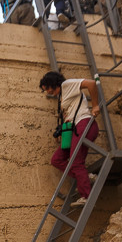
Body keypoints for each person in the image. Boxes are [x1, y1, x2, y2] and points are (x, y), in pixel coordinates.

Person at [40, 70, 102, 207]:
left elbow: (92, 84)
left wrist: (95, 105)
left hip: (84, 124)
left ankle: (86, 196)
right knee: (57, 160)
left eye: (47, 88)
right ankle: (87, 177)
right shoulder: (62, 95)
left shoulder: (67, 85)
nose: (47, 92)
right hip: (74, 129)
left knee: (76, 162)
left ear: (53, 83)